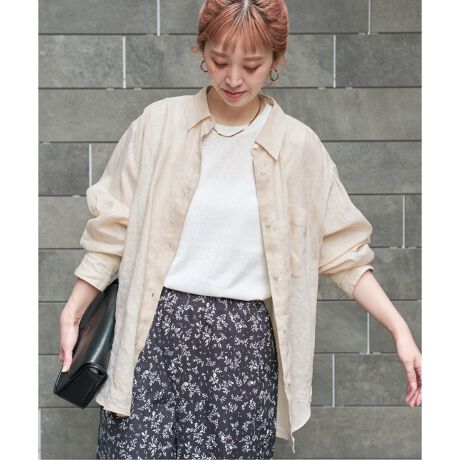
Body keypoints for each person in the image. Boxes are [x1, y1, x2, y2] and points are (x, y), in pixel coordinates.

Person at [58, 1, 422, 459]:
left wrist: (400, 331)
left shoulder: (299, 148)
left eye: (251, 66)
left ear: (276, 60)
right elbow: (112, 228)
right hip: (152, 336)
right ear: (201, 50)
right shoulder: (158, 125)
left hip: (243, 349)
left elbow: (344, 254)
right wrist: (74, 311)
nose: (233, 79)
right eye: (219, 61)